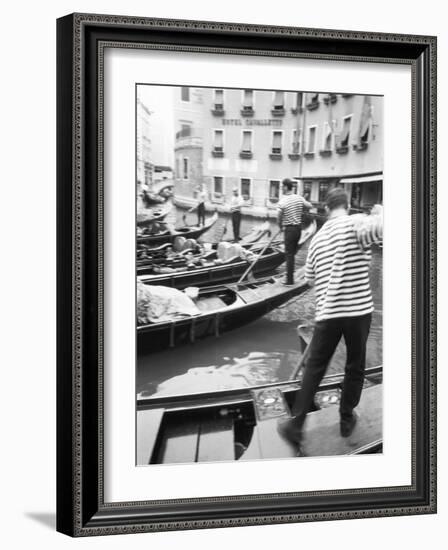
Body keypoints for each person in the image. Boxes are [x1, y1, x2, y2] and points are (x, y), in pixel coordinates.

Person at [278, 188, 383, 455]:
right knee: (355, 366)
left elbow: (311, 279)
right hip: (357, 310)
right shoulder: (356, 222)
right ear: (346, 205)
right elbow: (382, 229)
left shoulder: (318, 238)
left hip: (327, 313)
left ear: (326, 208)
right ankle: (346, 419)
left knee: (315, 369)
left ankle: (296, 424)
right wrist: (380, 212)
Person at [277, 178, 313, 285]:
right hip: (298, 229)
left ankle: (289, 280)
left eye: (281, 187)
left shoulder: (283, 201)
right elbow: (309, 206)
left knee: (289, 255)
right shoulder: (299, 198)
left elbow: (278, 216)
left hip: (289, 230)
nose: (281, 189)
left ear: (285, 187)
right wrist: (301, 204)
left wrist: (280, 227)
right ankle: (290, 275)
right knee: (292, 254)